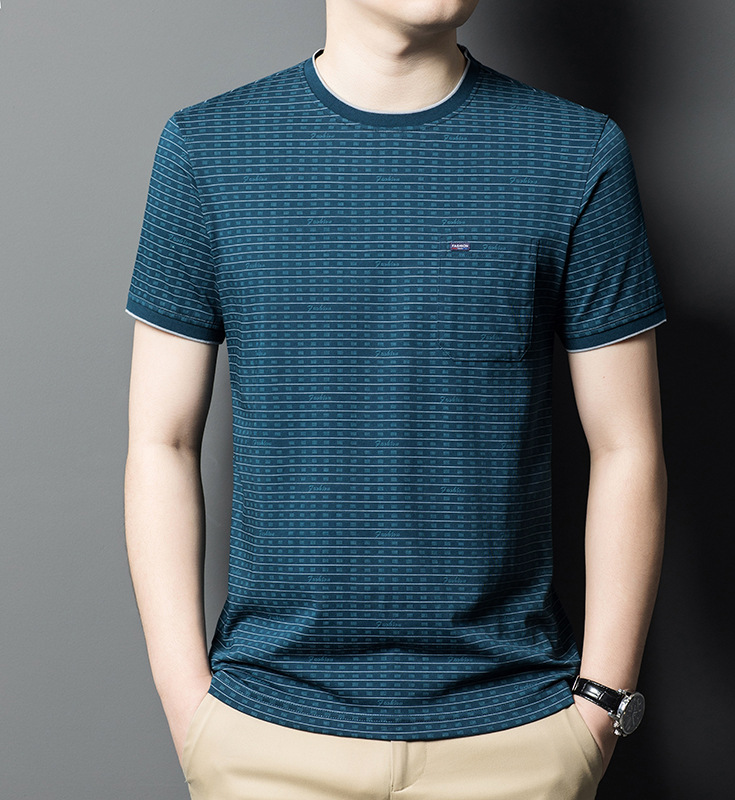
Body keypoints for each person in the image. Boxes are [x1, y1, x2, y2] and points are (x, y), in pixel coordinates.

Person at [123, 1, 667, 798]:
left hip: (516, 738)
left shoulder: (574, 151)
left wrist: (598, 708)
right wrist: (189, 708)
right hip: (266, 736)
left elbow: (628, 448)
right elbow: (161, 442)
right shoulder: (209, 149)